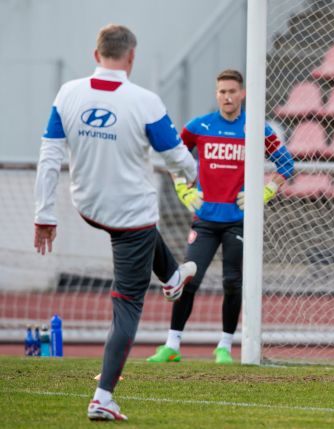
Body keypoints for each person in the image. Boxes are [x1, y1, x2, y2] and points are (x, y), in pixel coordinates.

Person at [34, 24, 201, 421]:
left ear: (96, 55)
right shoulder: (144, 101)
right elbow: (177, 156)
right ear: (132, 57)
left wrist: (45, 215)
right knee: (127, 307)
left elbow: (49, 156)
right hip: (130, 218)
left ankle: (173, 276)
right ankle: (103, 397)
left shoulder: (68, 93)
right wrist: (192, 174)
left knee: (143, 236)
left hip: (88, 207)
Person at [146, 69, 294, 365]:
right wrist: (182, 189)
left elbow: (287, 165)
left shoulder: (256, 129)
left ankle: (224, 347)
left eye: (232, 91)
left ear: (242, 94)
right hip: (204, 219)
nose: (227, 97)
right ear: (217, 95)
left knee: (232, 282)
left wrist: (264, 192)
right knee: (188, 278)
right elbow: (173, 156)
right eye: (222, 92)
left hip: (238, 220)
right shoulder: (199, 126)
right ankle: (172, 344)